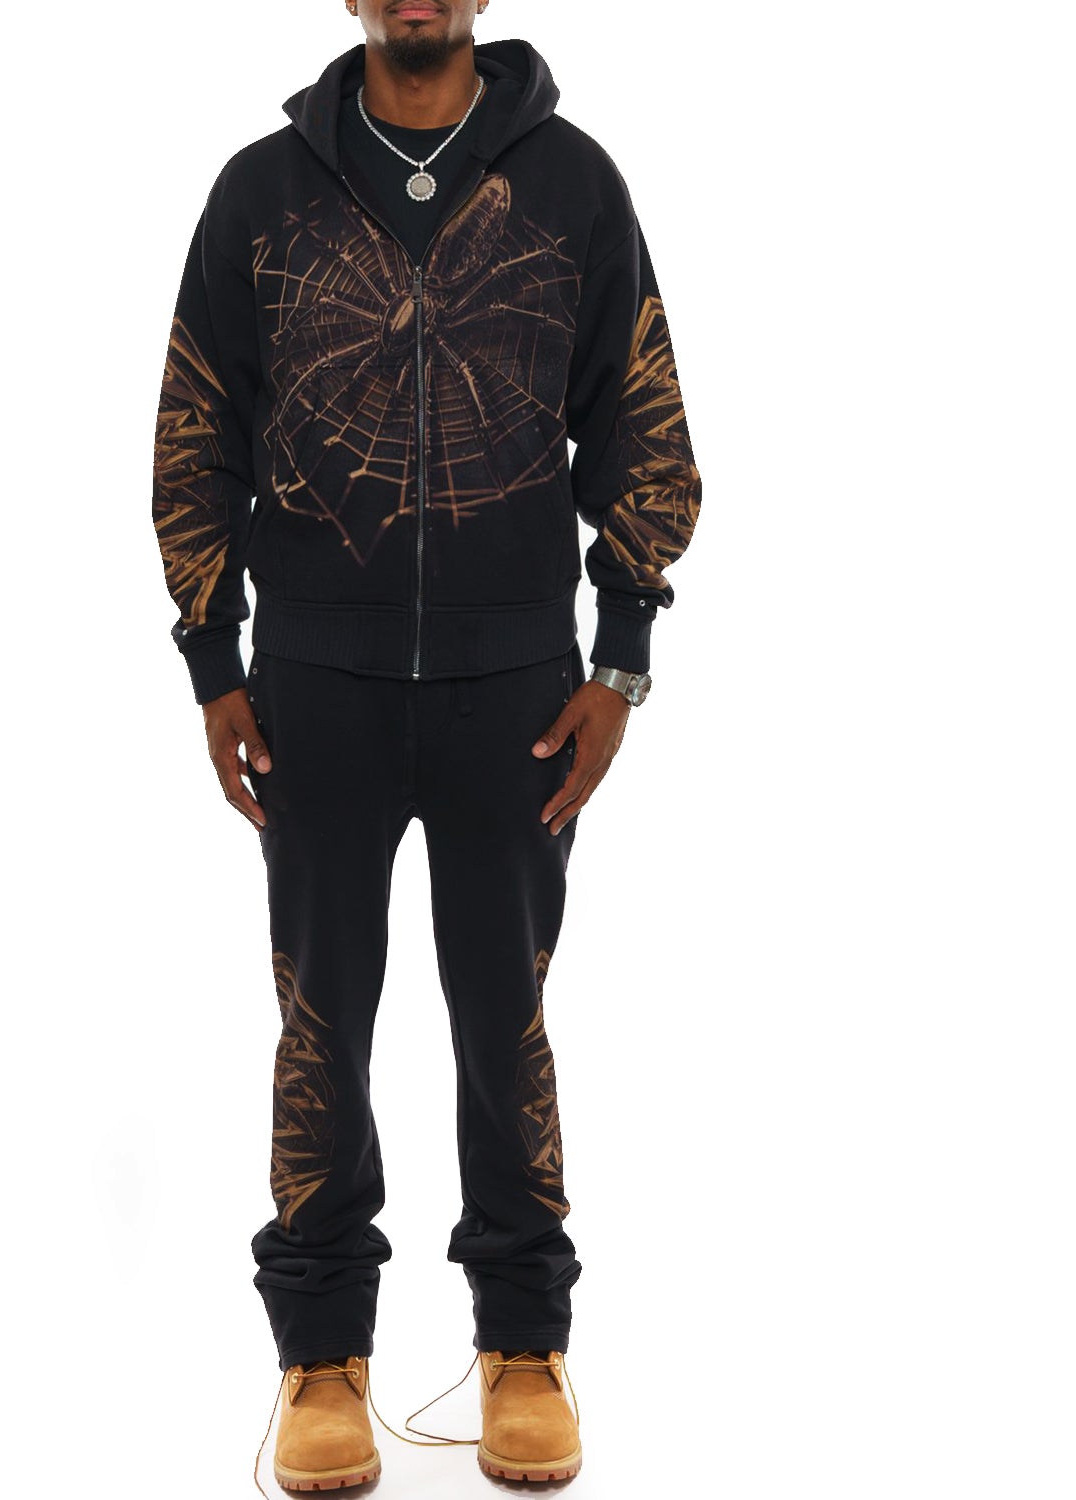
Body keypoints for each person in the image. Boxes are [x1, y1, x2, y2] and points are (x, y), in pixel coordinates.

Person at [150, 1, 701, 1489]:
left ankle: (524, 1343)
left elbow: (643, 423)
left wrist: (622, 653)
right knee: (319, 1017)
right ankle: (321, 1355)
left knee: (503, 1016)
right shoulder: (260, 194)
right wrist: (214, 660)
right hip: (312, 685)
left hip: (513, 689)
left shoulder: (573, 183)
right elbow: (196, 428)